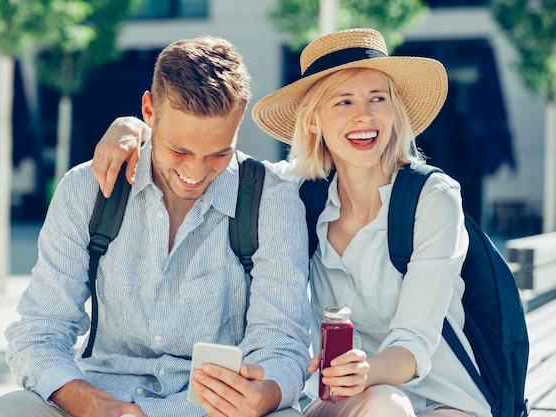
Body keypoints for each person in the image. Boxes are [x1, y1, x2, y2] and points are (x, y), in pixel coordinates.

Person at [91, 28, 493, 417]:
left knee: (389, 404)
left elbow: (414, 342)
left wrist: (363, 371)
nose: (365, 116)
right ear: (314, 119)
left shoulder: (433, 197)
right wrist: (134, 129)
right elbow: (211, 159)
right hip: (341, 397)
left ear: (394, 109)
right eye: (344, 102)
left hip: (439, 396)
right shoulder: (296, 189)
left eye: (377, 98)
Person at [0, 35, 312, 417]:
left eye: (218, 153)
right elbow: (39, 333)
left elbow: (282, 346)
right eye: (179, 151)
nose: (195, 173)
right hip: (102, 395)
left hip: (211, 410)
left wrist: (265, 392)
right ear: (149, 111)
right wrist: (90, 403)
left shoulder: (271, 199)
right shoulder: (88, 189)